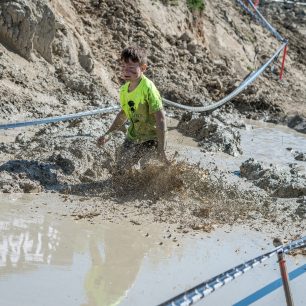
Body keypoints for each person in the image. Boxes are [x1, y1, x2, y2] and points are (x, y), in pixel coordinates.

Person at [97, 46, 169, 169]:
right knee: (120, 168)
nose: (126, 71)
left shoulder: (148, 88)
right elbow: (124, 113)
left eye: (131, 68)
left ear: (143, 68)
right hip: (134, 135)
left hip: (152, 137)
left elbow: (161, 118)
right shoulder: (124, 89)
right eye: (124, 67)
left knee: (148, 168)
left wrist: (162, 150)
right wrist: (109, 133)